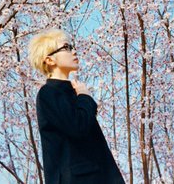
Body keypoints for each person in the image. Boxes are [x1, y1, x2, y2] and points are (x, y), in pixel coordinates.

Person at [28, 28, 125, 184]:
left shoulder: (71, 93)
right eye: (66, 47)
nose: (73, 52)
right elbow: (78, 127)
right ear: (50, 60)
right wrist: (85, 97)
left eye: (72, 47)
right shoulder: (49, 93)